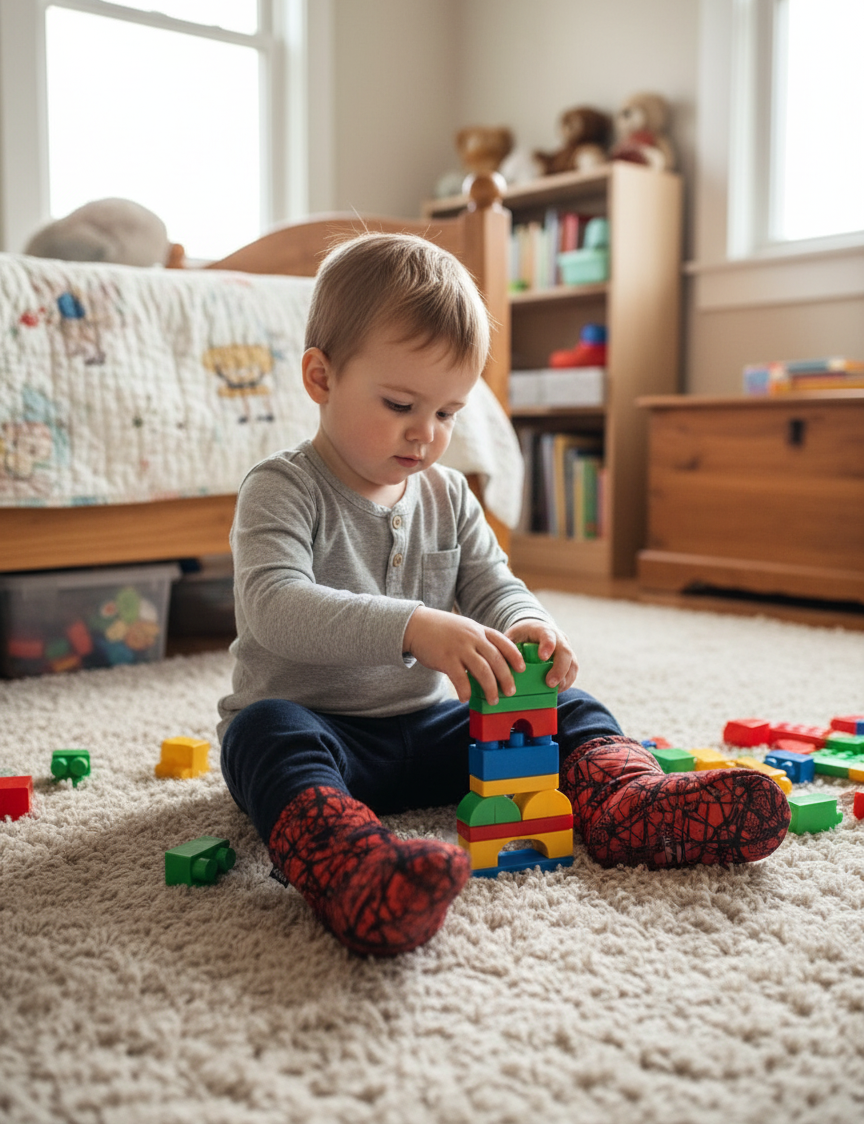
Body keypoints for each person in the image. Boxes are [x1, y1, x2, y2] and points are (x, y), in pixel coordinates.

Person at [217, 233, 790, 958]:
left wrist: (529, 624)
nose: (427, 434)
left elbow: (492, 582)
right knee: (265, 737)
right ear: (321, 378)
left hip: (431, 729)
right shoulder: (282, 488)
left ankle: (626, 804)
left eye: (449, 412)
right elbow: (274, 605)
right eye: (399, 403)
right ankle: (347, 863)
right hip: (319, 728)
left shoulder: (449, 493)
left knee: (566, 709)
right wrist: (415, 627)